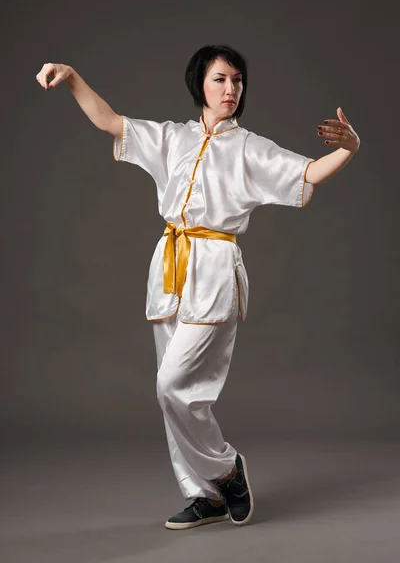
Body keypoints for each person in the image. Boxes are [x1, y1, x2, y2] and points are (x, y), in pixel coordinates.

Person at [35, 45, 360, 530]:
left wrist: (348, 148)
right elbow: (111, 122)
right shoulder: (171, 138)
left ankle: (227, 469)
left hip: (213, 269)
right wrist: (72, 75)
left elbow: (307, 173)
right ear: (200, 85)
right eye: (220, 80)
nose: (231, 89)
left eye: (238, 81)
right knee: (173, 392)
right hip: (168, 269)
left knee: (175, 387)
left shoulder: (249, 147)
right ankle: (203, 495)